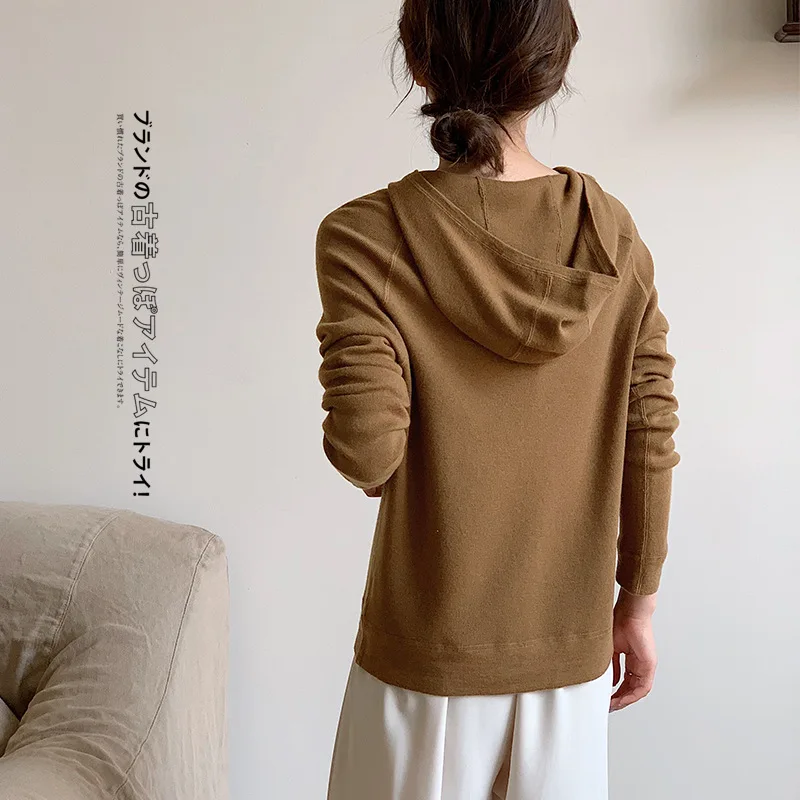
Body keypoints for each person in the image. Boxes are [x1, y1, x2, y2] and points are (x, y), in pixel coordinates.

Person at [313, 1, 681, 798]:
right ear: (553, 69)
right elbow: (648, 429)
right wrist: (638, 603)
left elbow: (367, 454)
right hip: (571, 663)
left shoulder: (366, 236)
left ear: (420, 65)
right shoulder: (613, 236)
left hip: (423, 665)